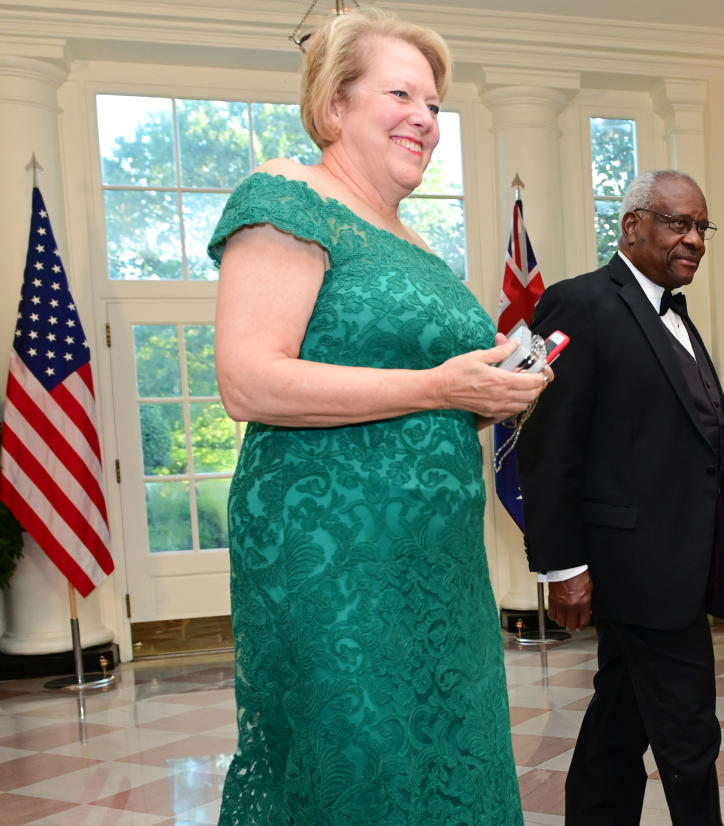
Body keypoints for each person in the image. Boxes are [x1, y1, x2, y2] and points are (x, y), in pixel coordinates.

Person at [209, 8, 547, 824]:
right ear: (334, 107)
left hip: (438, 564)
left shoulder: (416, 245)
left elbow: (424, 398)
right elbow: (249, 383)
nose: (425, 120)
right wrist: (438, 387)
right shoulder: (286, 196)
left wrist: (489, 393)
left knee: (445, 750)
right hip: (333, 559)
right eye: (401, 93)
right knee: (358, 757)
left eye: (434, 105)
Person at [517, 170, 724, 825]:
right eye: (678, 223)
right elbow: (546, 446)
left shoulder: (675, 314)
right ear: (631, 226)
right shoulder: (574, 304)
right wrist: (562, 566)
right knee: (689, 730)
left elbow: (704, 435)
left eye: (702, 227)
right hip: (631, 563)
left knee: (620, 717)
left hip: (681, 560)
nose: (694, 239)